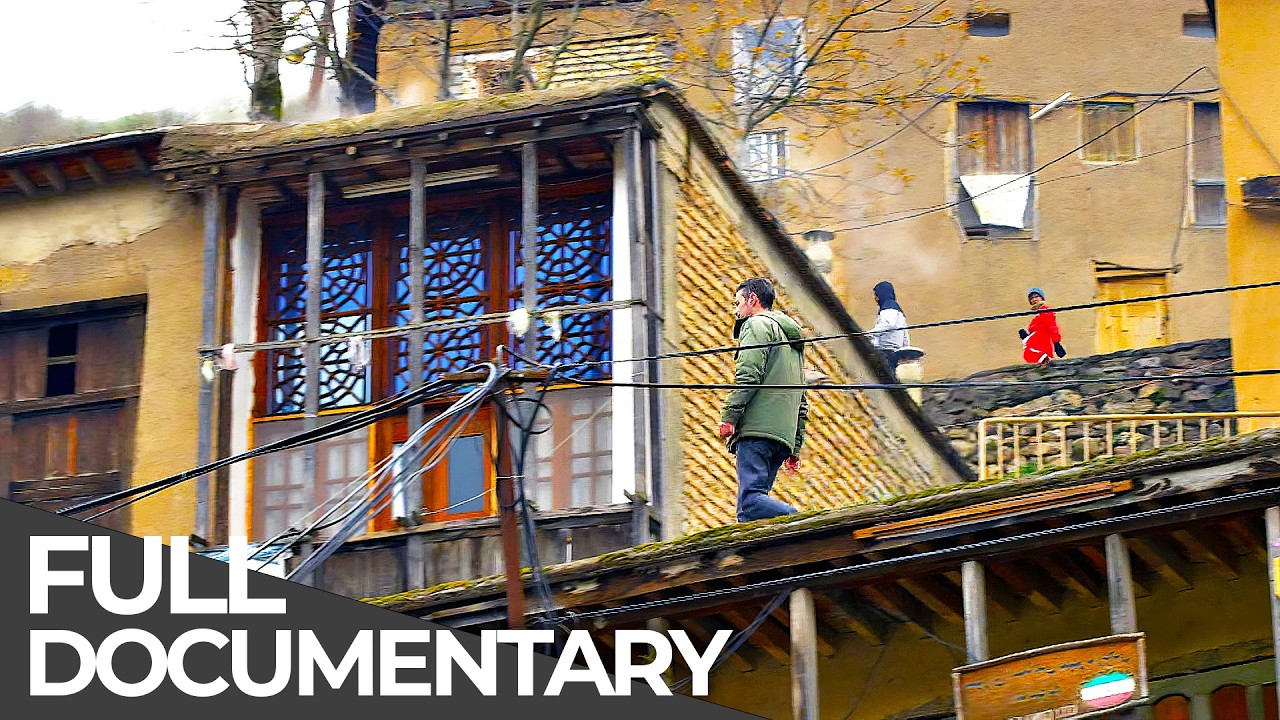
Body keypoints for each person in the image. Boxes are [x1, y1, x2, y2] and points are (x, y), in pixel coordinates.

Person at [718, 277, 809, 522]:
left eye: (737, 303)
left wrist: (729, 417)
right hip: (781, 440)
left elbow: (749, 376)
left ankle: (795, 520)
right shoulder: (793, 345)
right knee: (753, 513)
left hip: (757, 432)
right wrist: (795, 448)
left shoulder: (756, 325)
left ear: (752, 300)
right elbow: (802, 402)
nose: (735, 311)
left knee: (749, 504)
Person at [869, 281, 909, 374]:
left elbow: (889, 324)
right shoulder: (899, 313)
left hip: (885, 352)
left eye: (876, 295)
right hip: (895, 354)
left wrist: (869, 334)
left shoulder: (888, 308)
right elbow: (905, 336)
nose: (875, 298)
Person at [1020, 287, 1066, 365]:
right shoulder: (1038, 313)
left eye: (1036, 296)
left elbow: (1052, 326)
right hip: (1039, 342)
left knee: (1040, 358)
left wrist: (1056, 343)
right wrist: (1027, 337)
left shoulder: (1045, 310)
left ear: (1042, 298)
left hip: (1043, 341)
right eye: (1032, 298)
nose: (1034, 299)